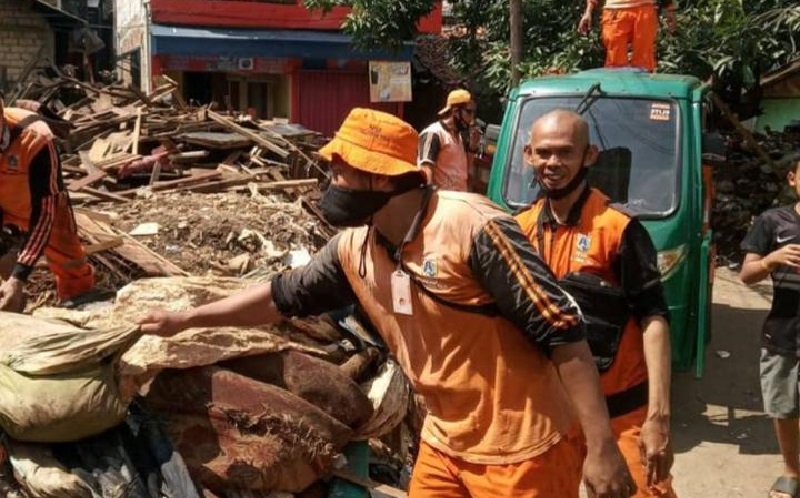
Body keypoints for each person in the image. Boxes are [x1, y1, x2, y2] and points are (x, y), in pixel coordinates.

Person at [140, 108, 636, 498]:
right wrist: (187, 319)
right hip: (445, 440)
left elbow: (564, 332)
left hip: (523, 448)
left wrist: (601, 447)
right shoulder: (354, 248)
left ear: (380, 178)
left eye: (341, 171)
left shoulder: (472, 228)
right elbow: (281, 296)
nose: (331, 182)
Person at [515, 109, 675, 498]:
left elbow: (653, 318)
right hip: (550, 420)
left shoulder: (618, 229)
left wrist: (658, 417)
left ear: (589, 155)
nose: (553, 163)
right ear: (528, 155)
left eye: (565, 152)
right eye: (544, 153)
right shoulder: (517, 231)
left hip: (621, 414)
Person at [0, 94, 95, 312]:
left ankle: (77, 299)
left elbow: (45, 214)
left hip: (37, 199)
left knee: (69, 260)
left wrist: (19, 276)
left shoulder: (36, 138)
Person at [740, 157, 800, 498]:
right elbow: (747, 275)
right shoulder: (773, 221)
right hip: (783, 333)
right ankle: (791, 471)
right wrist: (770, 260)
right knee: (784, 408)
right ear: (792, 179)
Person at [578, 0, 677, 72]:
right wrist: (588, 12)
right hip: (615, 11)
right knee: (615, 61)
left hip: (644, 9)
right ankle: (616, 92)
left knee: (644, 62)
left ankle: (642, 93)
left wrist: (669, 9)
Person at [417, 89, 480, 192]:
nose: (472, 118)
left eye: (473, 113)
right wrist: (428, 196)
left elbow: (466, 172)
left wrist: (473, 146)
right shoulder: (434, 133)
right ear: (455, 112)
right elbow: (425, 168)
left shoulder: (459, 136)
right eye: (468, 112)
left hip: (460, 198)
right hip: (442, 199)